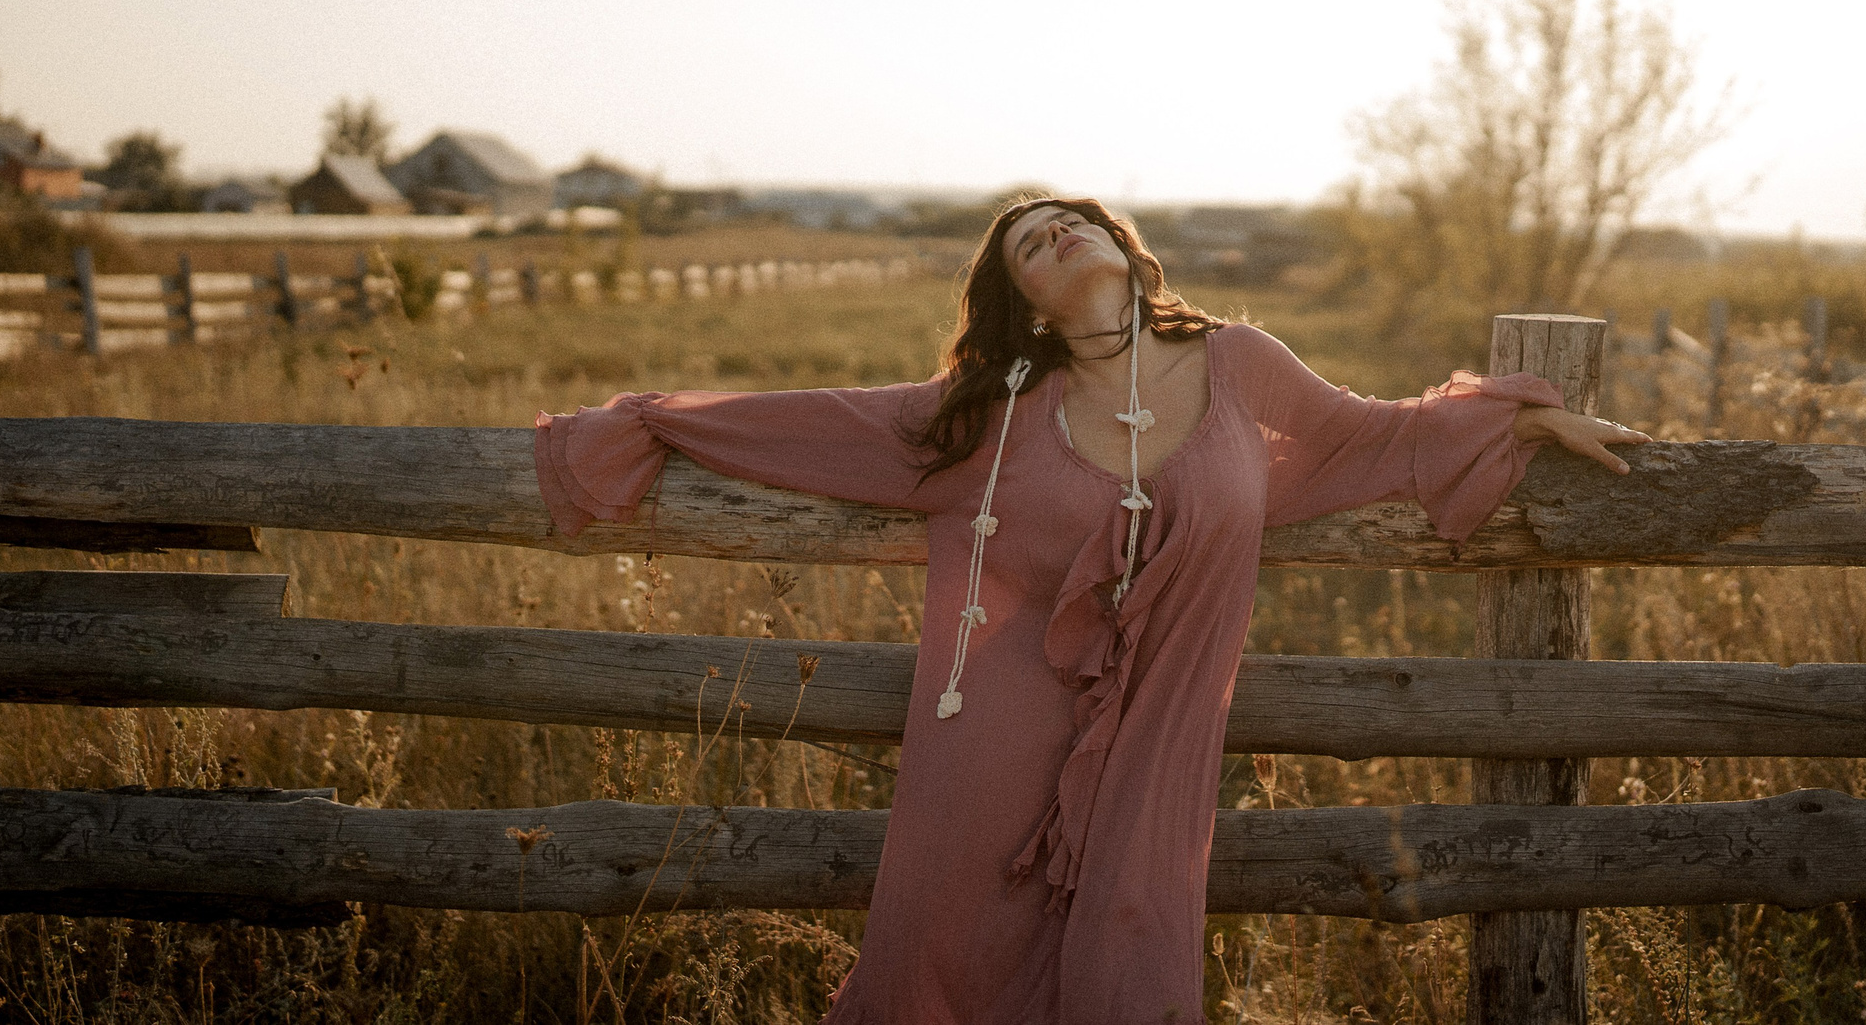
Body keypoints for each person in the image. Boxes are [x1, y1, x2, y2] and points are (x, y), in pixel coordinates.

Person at [533, 195, 1647, 1025]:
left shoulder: (1240, 365)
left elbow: (1372, 436)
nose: (1058, 228)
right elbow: (818, 424)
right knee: (944, 954)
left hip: (1160, 730)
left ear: (1126, 247)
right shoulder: (992, 415)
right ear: (1018, 301)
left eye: (1074, 216)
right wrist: (650, 421)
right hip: (992, 736)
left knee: (1133, 943)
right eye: (1030, 239)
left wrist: (1528, 421)